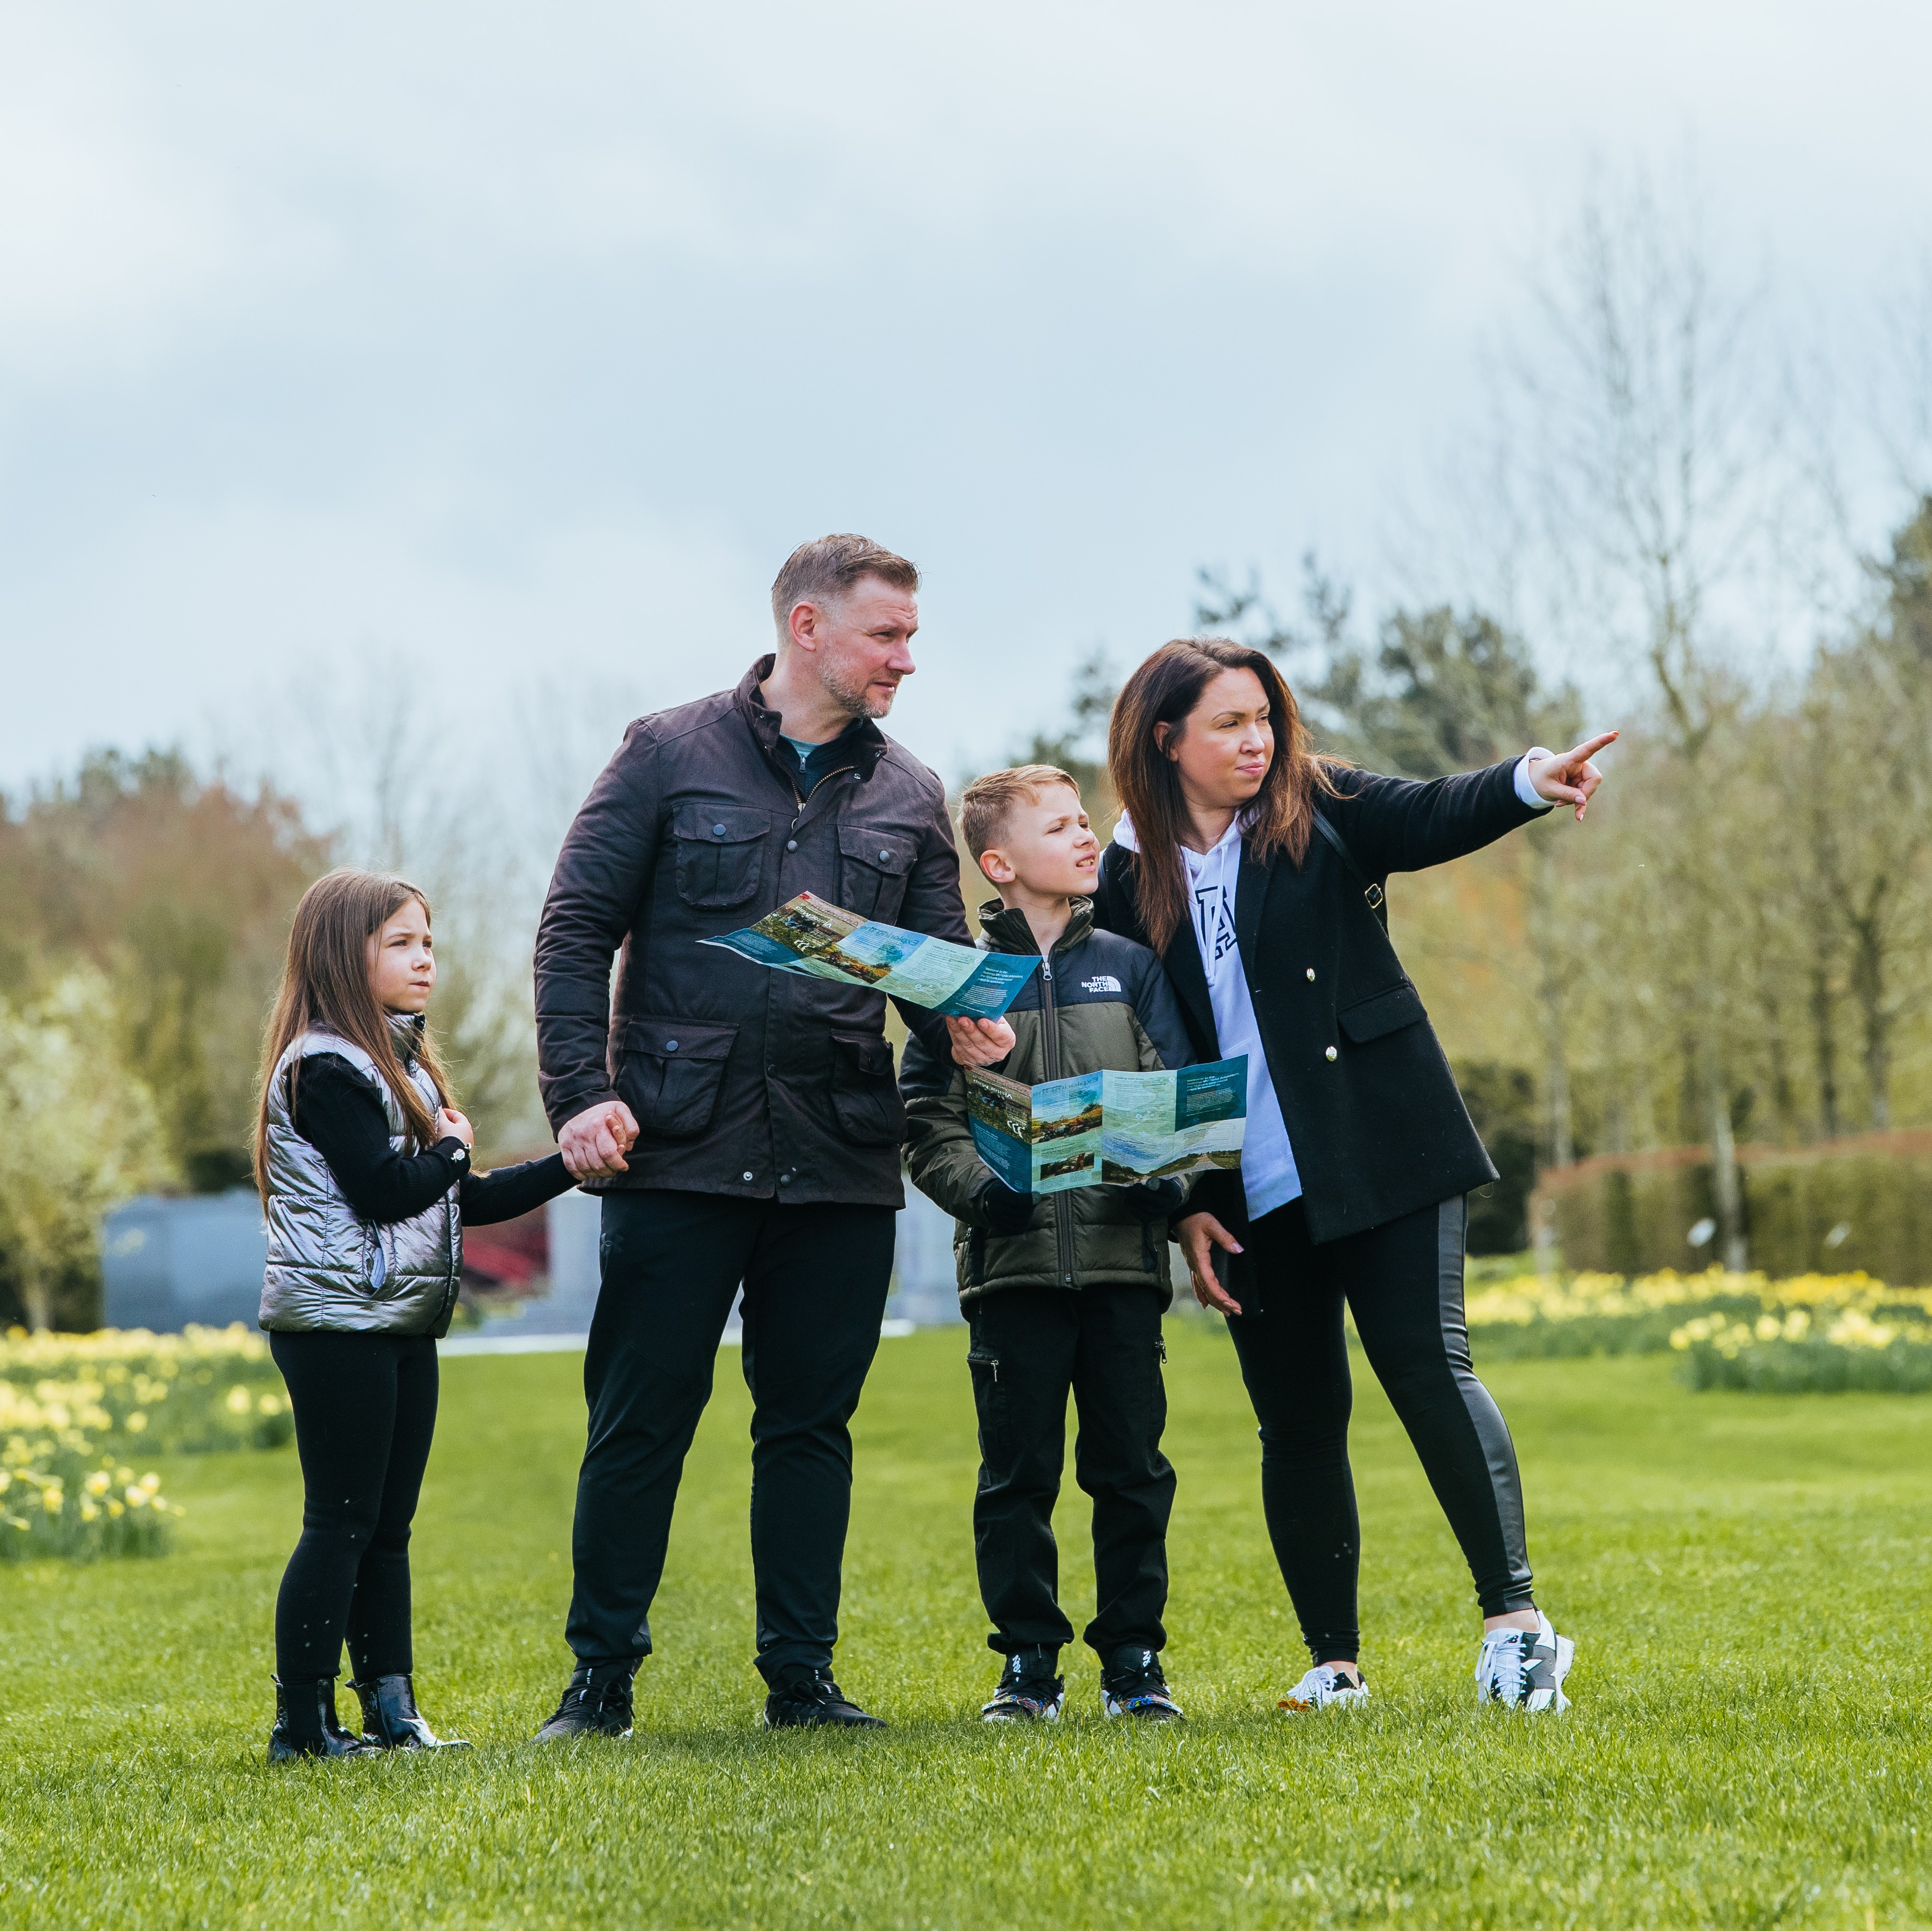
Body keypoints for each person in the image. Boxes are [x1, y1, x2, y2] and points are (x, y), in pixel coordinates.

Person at [530, 534, 1011, 1740]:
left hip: (839, 1151)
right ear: (808, 627)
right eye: (886, 634)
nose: (908, 656)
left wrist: (966, 1026)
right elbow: (575, 927)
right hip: (678, 1146)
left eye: (910, 633)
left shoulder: (911, 791)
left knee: (808, 1426)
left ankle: (801, 1679)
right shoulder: (666, 753)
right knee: (640, 1418)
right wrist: (579, 1091)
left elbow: (938, 969)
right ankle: (601, 1683)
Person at [1092, 638, 1615, 1715]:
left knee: (1428, 1368)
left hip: (1384, 1141)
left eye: (1265, 717)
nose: (1257, 740)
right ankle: (1334, 1662)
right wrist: (1183, 1198)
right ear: (1165, 738)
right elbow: (1143, 1048)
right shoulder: (1125, 870)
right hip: (1243, 1188)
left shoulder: (1316, 806)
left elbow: (1429, 814)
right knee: (1295, 1414)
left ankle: (1517, 1627)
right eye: (1230, 722)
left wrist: (1530, 778)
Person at [256, 868, 578, 1762]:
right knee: (339, 1522)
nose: (424, 959)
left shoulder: (396, 1064)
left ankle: (393, 1716)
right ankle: (304, 1726)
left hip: (395, 1322)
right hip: (335, 1325)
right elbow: (386, 1190)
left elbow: (455, 1198)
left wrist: (570, 1165)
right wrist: (449, 1147)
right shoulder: (325, 1065)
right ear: (341, 955)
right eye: (401, 943)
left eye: (427, 942)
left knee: (386, 1530)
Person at [901, 765, 1196, 1725]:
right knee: (1016, 1475)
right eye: (1061, 828)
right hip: (1010, 1272)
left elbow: (1186, 1097)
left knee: (1131, 1472)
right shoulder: (949, 986)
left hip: (1121, 1266)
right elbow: (926, 1122)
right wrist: (987, 1197)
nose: (1085, 840)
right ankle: (1027, 1665)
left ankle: (1135, 1663)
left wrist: (1168, 1178)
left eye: (1083, 823)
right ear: (999, 865)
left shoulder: (1132, 965)